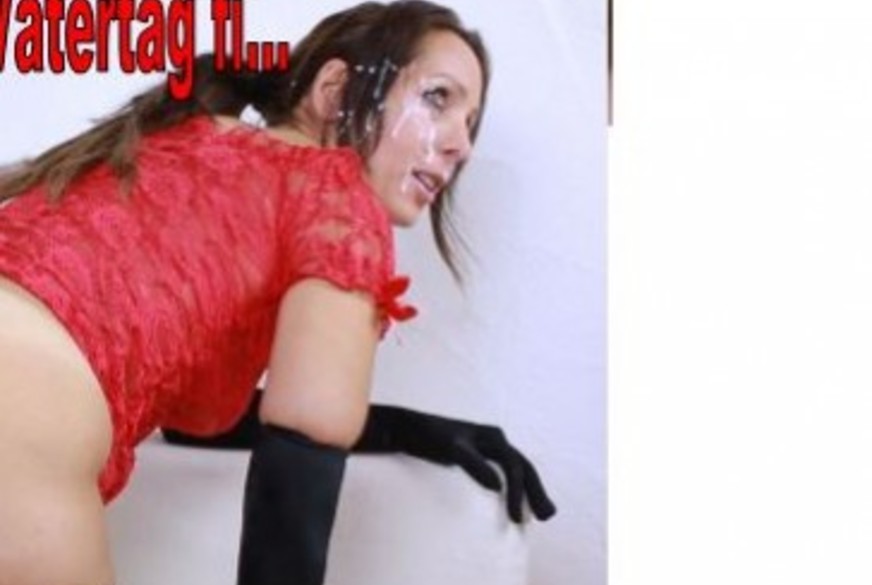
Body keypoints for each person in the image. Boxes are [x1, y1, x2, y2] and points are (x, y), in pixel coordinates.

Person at [0, 2, 555, 584]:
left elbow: (203, 402)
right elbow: (300, 460)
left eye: (470, 122)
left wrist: (401, 430)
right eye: (438, 98)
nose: (462, 145)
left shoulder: (180, 138)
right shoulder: (336, 195)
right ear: (335, 91)